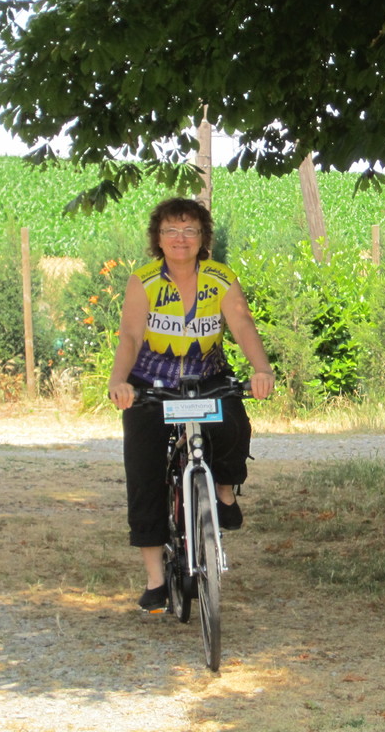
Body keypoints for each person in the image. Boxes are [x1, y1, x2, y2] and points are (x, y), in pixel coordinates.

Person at [107, 196, 276, 613]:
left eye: (190, 230)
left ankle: (223, 492)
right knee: (143, 470)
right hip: (152, 384)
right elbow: (130, 336)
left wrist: (261, 368)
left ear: (203, 238)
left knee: (235, 423)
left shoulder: (220, 278)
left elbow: (241, 323)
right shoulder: (143, 281)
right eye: (171, 231)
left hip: (207, 377)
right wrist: (119, 380)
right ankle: (155, 580)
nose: (180, 239)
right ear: (158, 239)